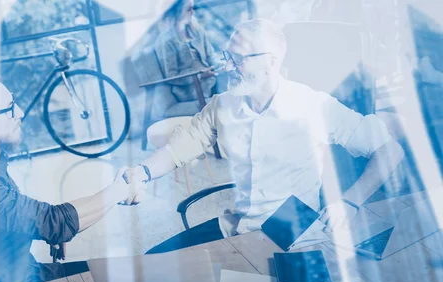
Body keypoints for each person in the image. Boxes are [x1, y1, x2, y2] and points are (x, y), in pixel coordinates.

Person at [124, 19, 405, 254]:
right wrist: (142, 173)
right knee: (153, 260)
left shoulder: (312, 105)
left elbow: (389, 151)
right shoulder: (223, 105)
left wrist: (350, 202)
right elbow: (177, 151)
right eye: (227, 58)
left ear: (270, 62)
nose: (228, 67)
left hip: (293, 231)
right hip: (237, 226)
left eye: (237, 60)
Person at [0, 70, 143, 282]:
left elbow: (10, 218)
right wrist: (119, 191)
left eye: (14, 103)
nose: (20, 113)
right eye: (8, 110)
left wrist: (43, 229)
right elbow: (55, 222)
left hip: (16, 270)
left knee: (120, 273)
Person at [155, 0, 223, 103]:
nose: (193, 12)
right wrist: (200, 75)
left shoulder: (197, 31)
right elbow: (172, 76)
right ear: (177, 12)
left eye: (193, 8)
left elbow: (210, 55)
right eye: (188, 9)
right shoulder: (166, 41)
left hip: (211, 81)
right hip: (190, 91)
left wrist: (221, 66)